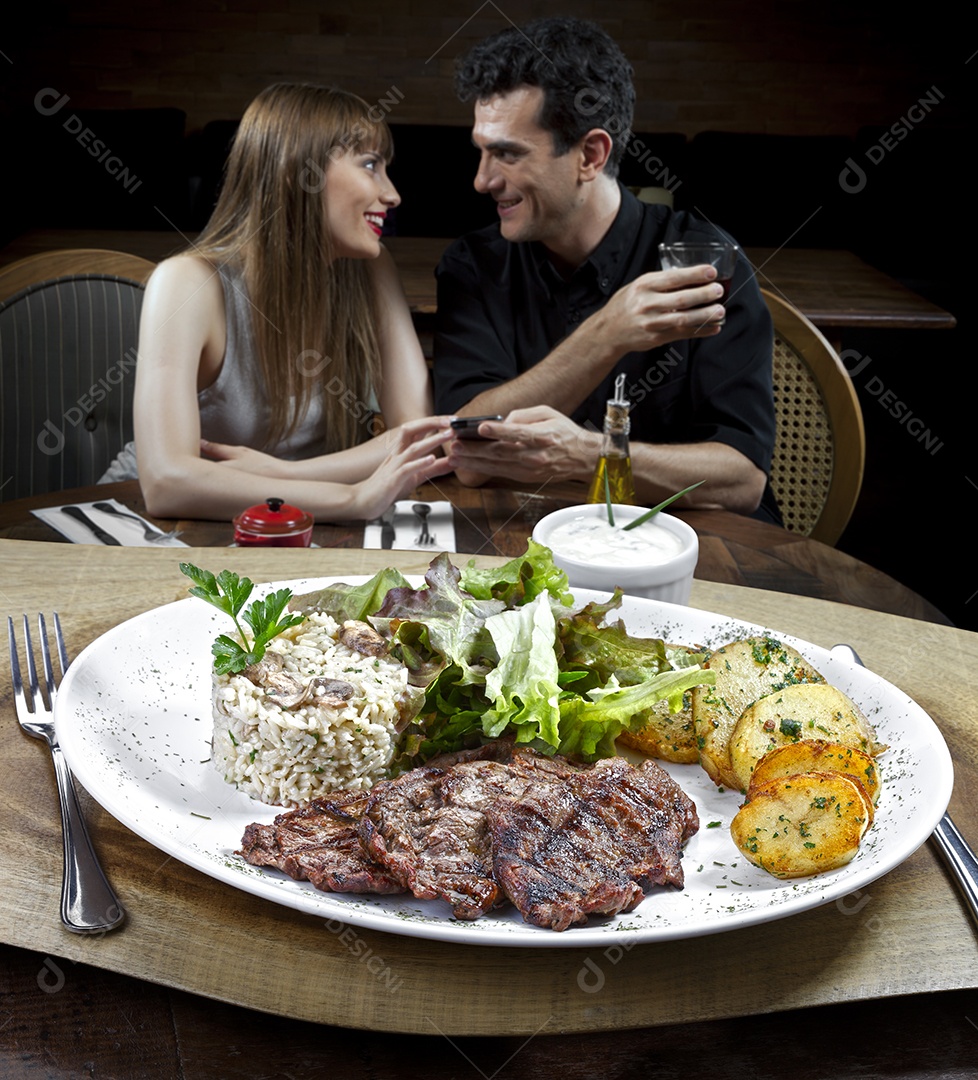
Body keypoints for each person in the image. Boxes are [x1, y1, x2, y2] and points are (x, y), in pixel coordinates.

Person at [434, 18, 780, 521]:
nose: (482, 180)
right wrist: (608, 333)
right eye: (482, 152)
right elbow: (466, 446)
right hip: (536, 538)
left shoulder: (703, 259)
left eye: (507, 154)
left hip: (694, 542)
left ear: (590, 155)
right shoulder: (473, 265)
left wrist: (590, 453)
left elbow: (742, 479)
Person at [108, 82, 453, 522]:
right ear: (298, 173)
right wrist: (351, 500)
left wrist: (286, 474)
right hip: (158, 523)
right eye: (370, 165)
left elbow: (416, 440)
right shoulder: (186, 282)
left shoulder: (371, 267)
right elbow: (167, 484)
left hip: (292, 522)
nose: (392, 194)